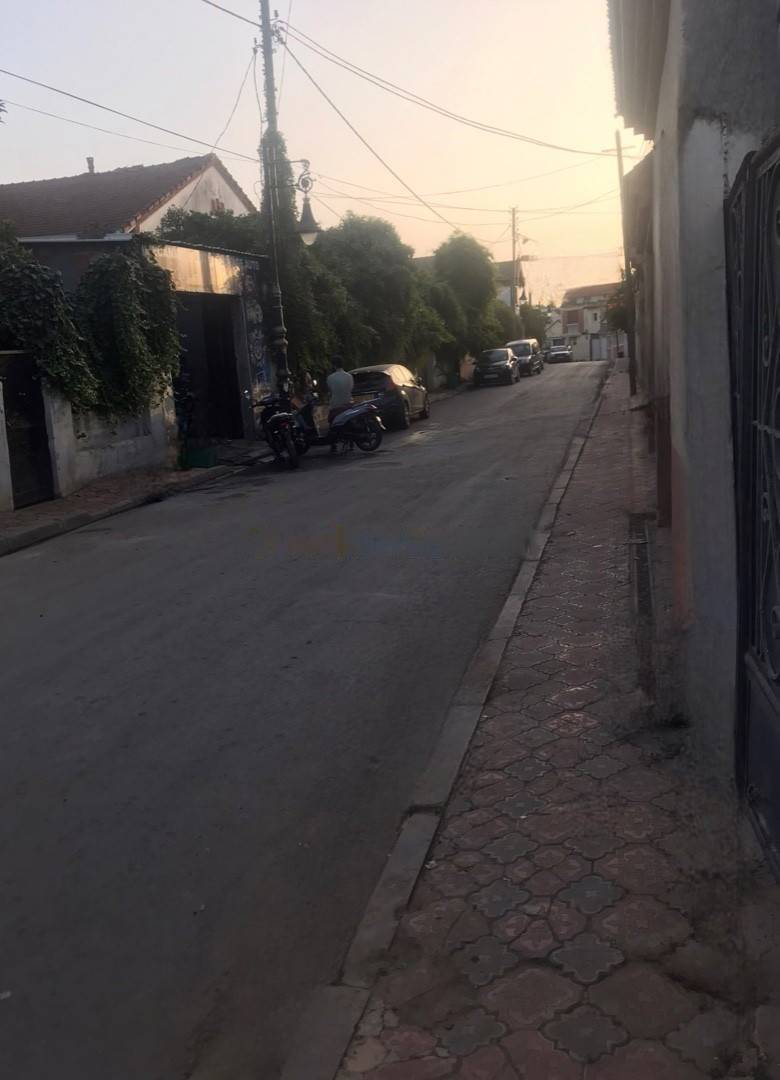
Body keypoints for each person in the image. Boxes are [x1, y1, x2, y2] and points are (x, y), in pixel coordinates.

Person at [326, 356, 354, 422]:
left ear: (334, 365)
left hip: (336, 407)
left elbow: (330, 392)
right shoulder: (349, 376)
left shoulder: (330, 378)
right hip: (348, 405)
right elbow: (351, 389)